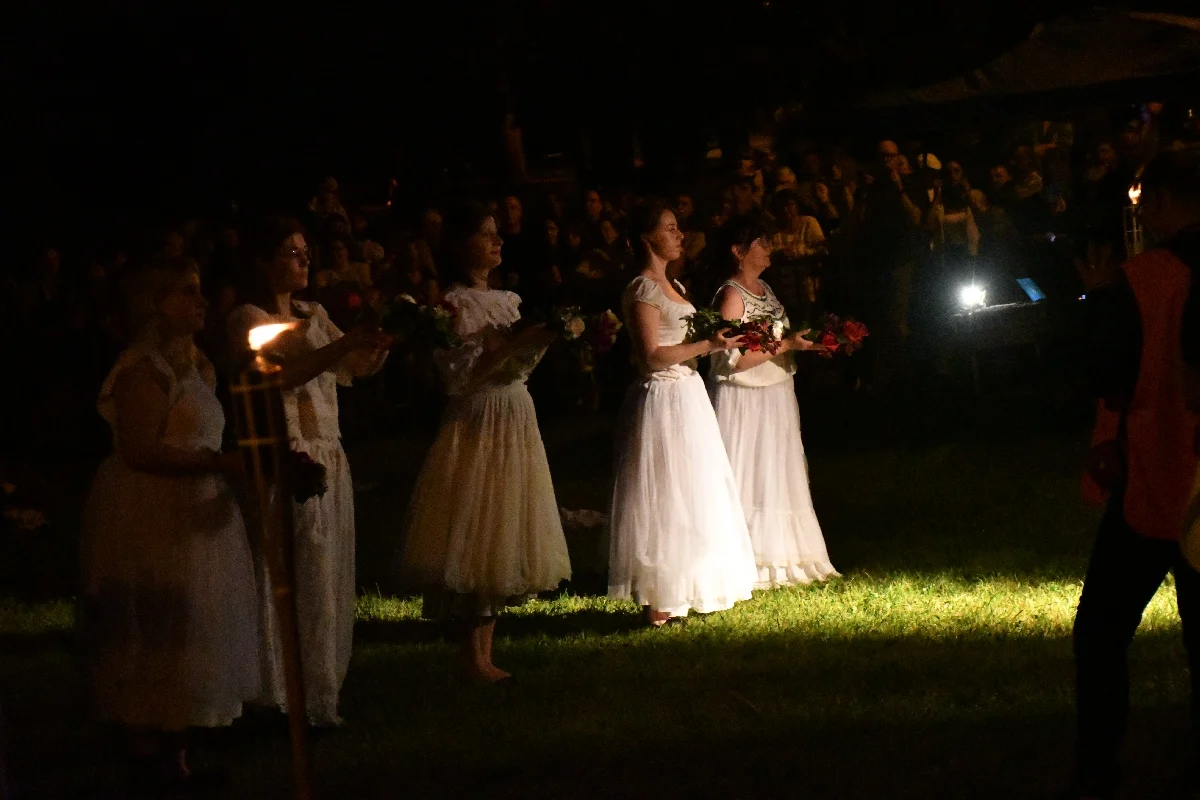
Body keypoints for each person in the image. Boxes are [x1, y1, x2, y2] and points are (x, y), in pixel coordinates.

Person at [79, 256, 259, 787]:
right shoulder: (143, 369)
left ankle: (176, 749)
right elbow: (139, 449)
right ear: (155, 304)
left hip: (195, 508)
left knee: (192, 623)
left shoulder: (198, 366)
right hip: (153, 509)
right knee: (155, 621)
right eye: (186, 291)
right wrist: (220, 463)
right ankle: (146, 749)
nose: (201, 301)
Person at [1069, 149, 1200, 798]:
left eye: (1147, 202)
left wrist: (1098, 300)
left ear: (1170, 201)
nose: (1141, 215)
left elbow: (1110, 376)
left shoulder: (1143, 278)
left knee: (1100, 631)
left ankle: (1099, 766)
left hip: (1155, 475)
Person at [227, 216, 391, 727]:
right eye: (291, 252)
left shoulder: (314, 313)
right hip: (288, 451)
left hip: (327, 450)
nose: (304, 261)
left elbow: (353, 367)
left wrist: (380, 340)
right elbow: (282, 376)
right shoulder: (249, 318)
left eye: (305, 252)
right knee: (291, 565)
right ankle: (276, 691)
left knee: (325, 570)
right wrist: (342, 346)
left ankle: (319, 690)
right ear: (264, 262)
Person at [401, 203, 571, 682]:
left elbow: (519, 364)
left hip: (515, 411)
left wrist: (537, 342)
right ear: (462, 245)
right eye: (486, 234)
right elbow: (459, 378)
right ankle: (472, 654)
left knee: (506, 520)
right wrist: (510, 348)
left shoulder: (509, 300)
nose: (497, 242)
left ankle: (486, 650)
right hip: (478, 415)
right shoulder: (452, 305)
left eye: (498, 234)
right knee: (479, 518)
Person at [608, 200, 759, 627]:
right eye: (669, 228)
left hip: (688, 393)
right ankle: (659, 597)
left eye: (678, 227)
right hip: (663, 396)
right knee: (665, 491)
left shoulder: (673, 285)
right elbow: (652, 354)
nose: (679, 235)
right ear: (647, 238)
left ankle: (686, 586)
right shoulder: (643, 289)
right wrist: (709, 344)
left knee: (693, 488)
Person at [707, 216, 839, 588]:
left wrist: (809, 342)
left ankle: (785, 551)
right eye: (761, 242)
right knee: (750, 469)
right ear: (738, 251)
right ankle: (747, 554)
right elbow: (733, 359)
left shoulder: (765, 287)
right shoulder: (731, 295)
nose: (770, 248)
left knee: (778, 471)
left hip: (776, 391)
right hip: (746, 398)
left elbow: (777, 337)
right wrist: (786, 344)